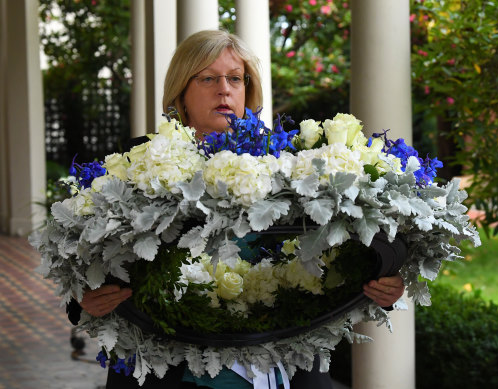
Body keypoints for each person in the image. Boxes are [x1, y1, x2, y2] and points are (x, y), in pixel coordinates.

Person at [68, 29, 406, 389]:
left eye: (234, 78)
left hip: (279, 364)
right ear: (181, 92)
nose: (224, 89)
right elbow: (88, 259)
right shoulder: (134, 166)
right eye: (208, 78)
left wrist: (381, 282)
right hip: (168, 370)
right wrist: (85, 300)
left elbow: (336, 252)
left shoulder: (291, 165)